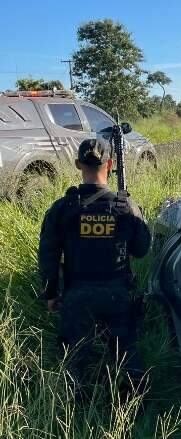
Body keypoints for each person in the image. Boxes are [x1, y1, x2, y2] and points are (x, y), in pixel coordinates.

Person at [38, 137, 151, 395]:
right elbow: (142, 250)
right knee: (127, 355)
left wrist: (51, 294)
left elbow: (48, 256)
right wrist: (132, 218)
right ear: (109, 165)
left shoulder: (63, 208)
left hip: (77, 294)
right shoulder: (126, 207)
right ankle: (134, 409)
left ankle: (76, 410)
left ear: (78, 164)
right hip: (117, 294)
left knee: (74, 360)